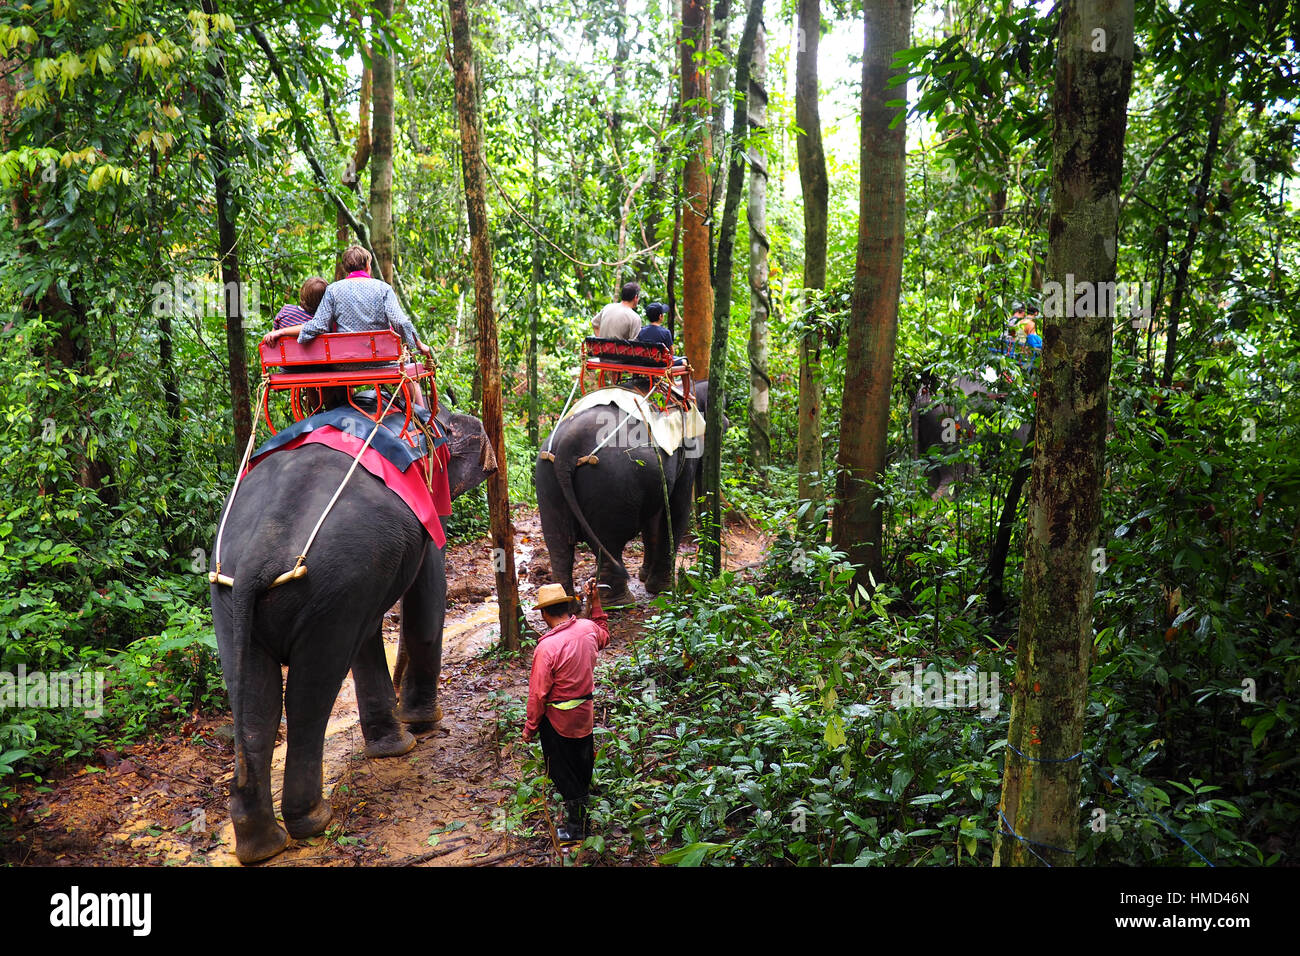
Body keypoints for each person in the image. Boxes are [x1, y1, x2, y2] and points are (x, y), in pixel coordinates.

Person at [523, 579, 610, 842]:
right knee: (582, 763)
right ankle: (581, 813)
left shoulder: (547, 647)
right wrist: (595, 601)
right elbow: (604, 631)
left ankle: (577, 827)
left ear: (544, 614)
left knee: (561, 770)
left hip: (557, 719)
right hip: (585, 712)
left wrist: (530, 727)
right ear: (567, 606)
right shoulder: (587, 629)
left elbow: (538, 694)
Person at [261, 246, 431, 358]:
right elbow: (400, 321)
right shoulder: (383, 288)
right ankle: (418, 412)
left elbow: (318, 325)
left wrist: (281, 332)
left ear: (346, 268)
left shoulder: (333, 290)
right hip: (381, 359)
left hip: (345, 360)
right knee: (408, 368)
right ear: (367, 266)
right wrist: (418, 344)